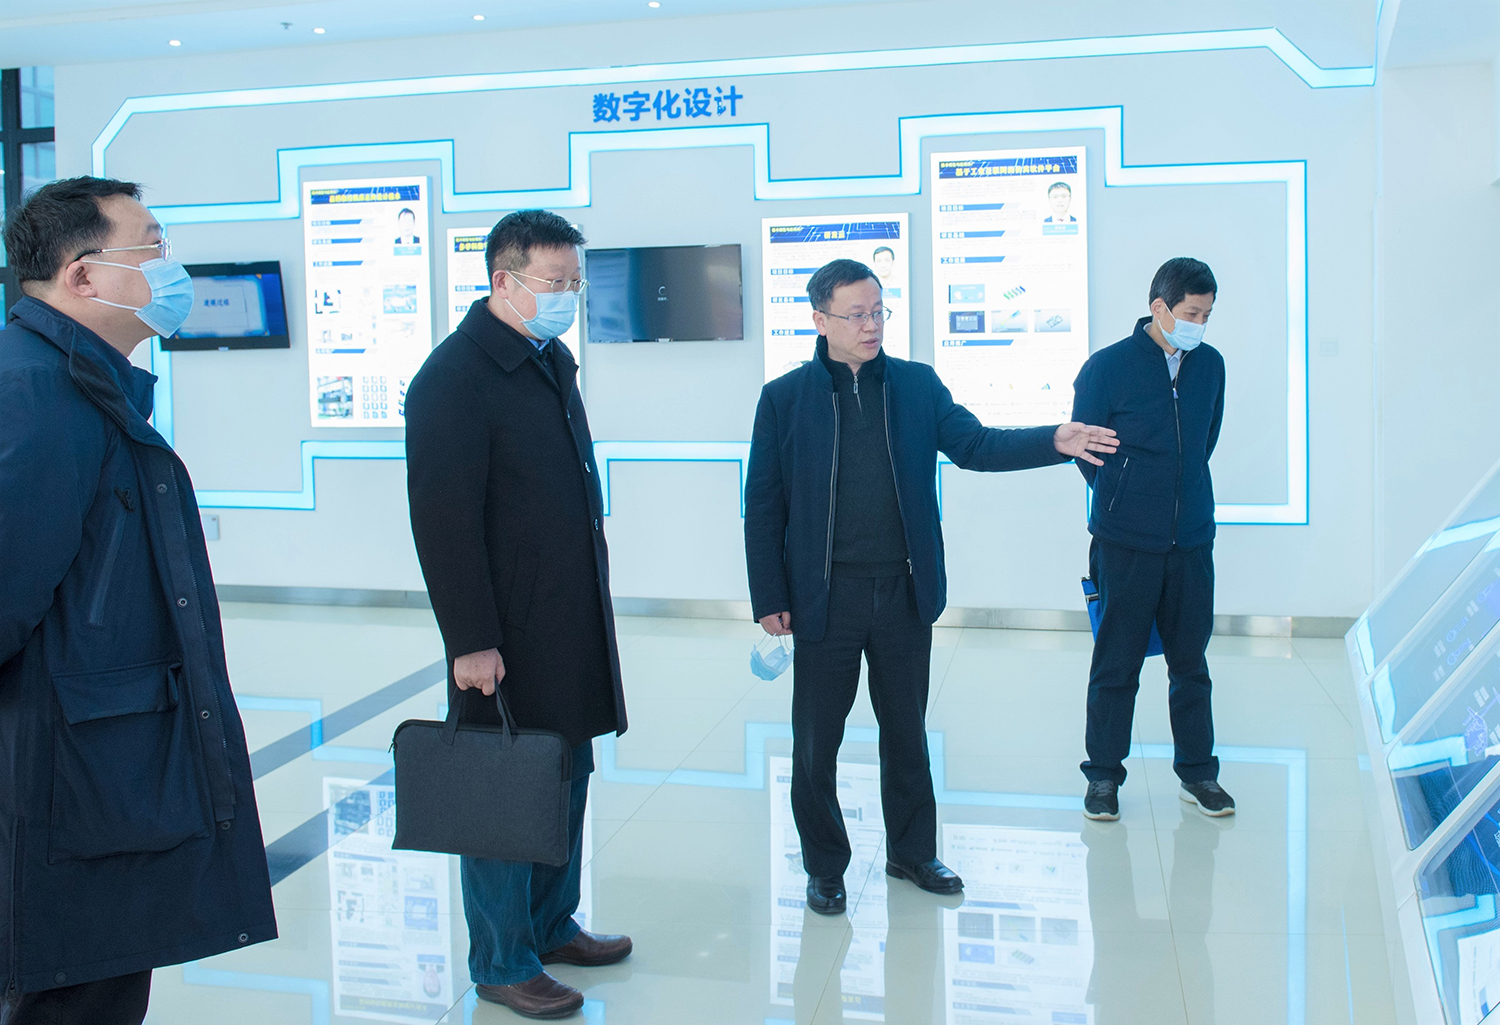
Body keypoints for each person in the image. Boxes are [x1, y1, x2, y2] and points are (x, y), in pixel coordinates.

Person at [745, 258, 1118, 915]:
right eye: (856, 315)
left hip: (903, 592)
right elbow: (764, 504)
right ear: (820, 320)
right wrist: (769, 595)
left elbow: (976, 445)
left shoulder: (916, 386)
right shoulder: (784, 399)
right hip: (824, 598)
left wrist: (1054, 440)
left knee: (906, 734)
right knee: (816, 743)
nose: (871, 325)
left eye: (878, 311)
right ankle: (825, 867)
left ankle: (912, 852)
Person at [0, 177, 276, 1024]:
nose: (169, 266)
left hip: (102, 764)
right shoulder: (34, 395)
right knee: (72, 990)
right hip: (67, 776)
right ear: (82, 275)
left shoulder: (80, 382)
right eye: (152, 246)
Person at [404, 209, 631, 1020]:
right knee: (504, 791)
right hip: (504, 632)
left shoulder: (548, 359)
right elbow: (444, 521)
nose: (569, 294)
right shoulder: (454, 377)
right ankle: (502, 959)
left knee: (564, 773)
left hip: (567, 618)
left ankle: (550, 923)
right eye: (553, 281)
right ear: (503, 280)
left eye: (575, 281)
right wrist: (471, 641)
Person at [1070, 256, 1232, 821]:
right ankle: (1103, 778)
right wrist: (1127, 497)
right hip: (1125, 542)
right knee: (1116, 665)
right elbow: (1087, 451)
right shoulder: (1107, 368)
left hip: (1191, 541)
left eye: (1207, 314)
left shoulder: (1210, 365)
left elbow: (1204, 441)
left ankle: (1198, 773)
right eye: (1192, 313)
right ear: (1159, 307)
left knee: (1191, 665)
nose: (1200, 324)